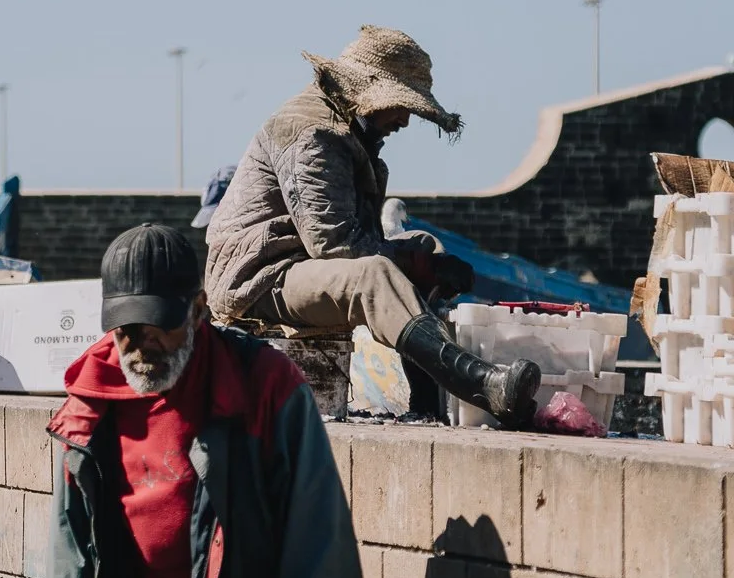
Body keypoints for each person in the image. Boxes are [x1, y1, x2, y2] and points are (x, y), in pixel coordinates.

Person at [48, 221, 363, 578]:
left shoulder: (264, 388)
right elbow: (71, 563)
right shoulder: (89, 409)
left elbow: (318, 544)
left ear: (198, 311)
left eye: (159, 325)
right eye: (126, 329)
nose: (141, 345)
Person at [204, 24, 540, 426]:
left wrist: (422, 259)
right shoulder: (312, 132)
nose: (404, 121)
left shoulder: (343, 127)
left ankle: (426, 401)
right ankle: (484, 385)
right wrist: (411, 263)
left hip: (294, 265)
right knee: (375, 276)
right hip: (258, 279)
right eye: (402, 106)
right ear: (371, 93)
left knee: (423, 245)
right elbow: (334, 244)